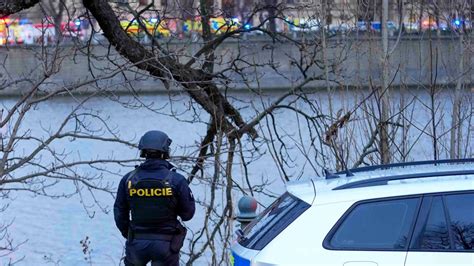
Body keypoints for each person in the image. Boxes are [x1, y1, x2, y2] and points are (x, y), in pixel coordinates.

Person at [114, 130, 195, 266]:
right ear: (166, 151)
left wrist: (129, 233)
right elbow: (188, 214)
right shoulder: (176, 180)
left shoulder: (128, 179)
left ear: (143, 151)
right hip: (166, 244)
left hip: (136, 242)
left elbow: (119, 212)